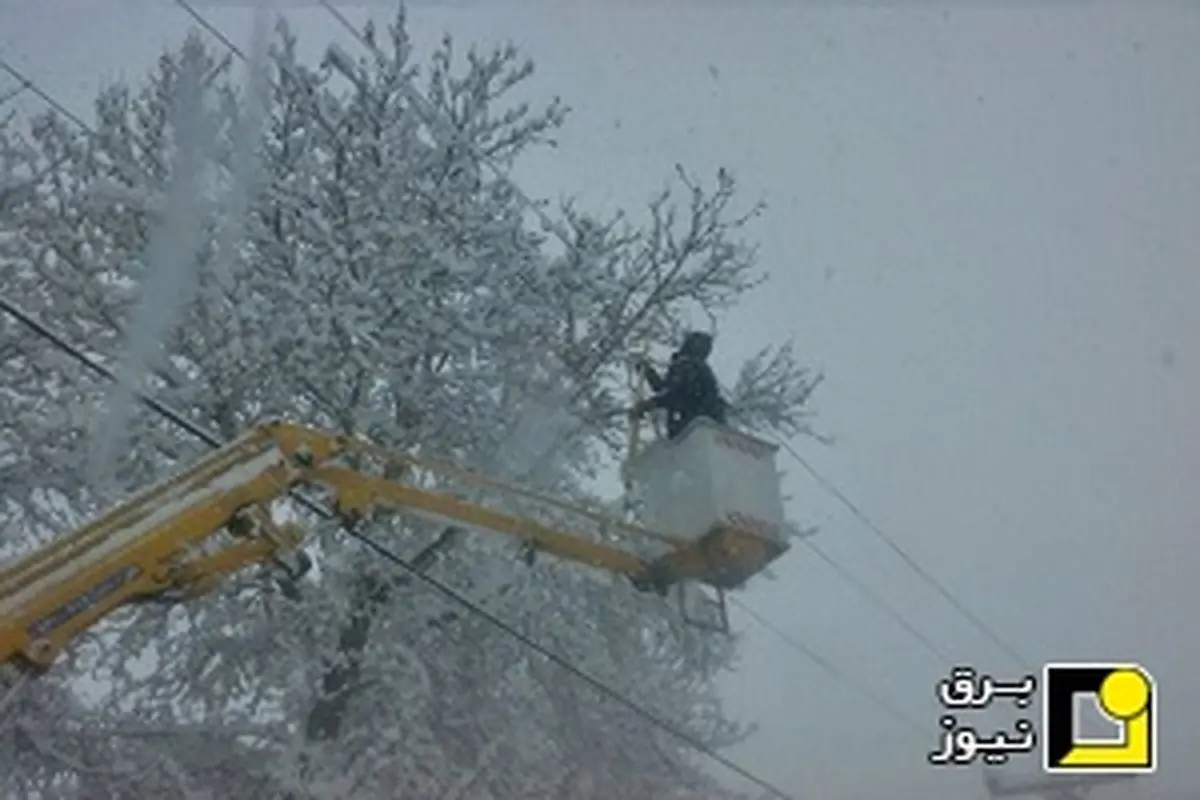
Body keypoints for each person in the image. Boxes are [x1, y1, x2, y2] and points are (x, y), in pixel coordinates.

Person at [631, 331, 728, 439]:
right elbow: (666, 389)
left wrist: (651, 403)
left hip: (694, 425)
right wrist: (648, 372)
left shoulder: (690, 366)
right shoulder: (693, 367)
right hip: (701, 426)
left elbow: (673, 393)